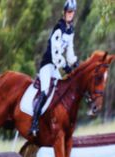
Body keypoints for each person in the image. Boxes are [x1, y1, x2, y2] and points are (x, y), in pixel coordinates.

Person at [30, 0, 78, 136]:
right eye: (69, 11)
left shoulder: (70, 30)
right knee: (45, 91)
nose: (70, 14)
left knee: (60, 91)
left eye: (72, 12)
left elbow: (70, 51)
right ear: (64, 12)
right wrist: (65, 67)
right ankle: (34, 123)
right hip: (47, 64)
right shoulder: (59, 27)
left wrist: (75, 62)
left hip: (56, 66)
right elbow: (55, 53)